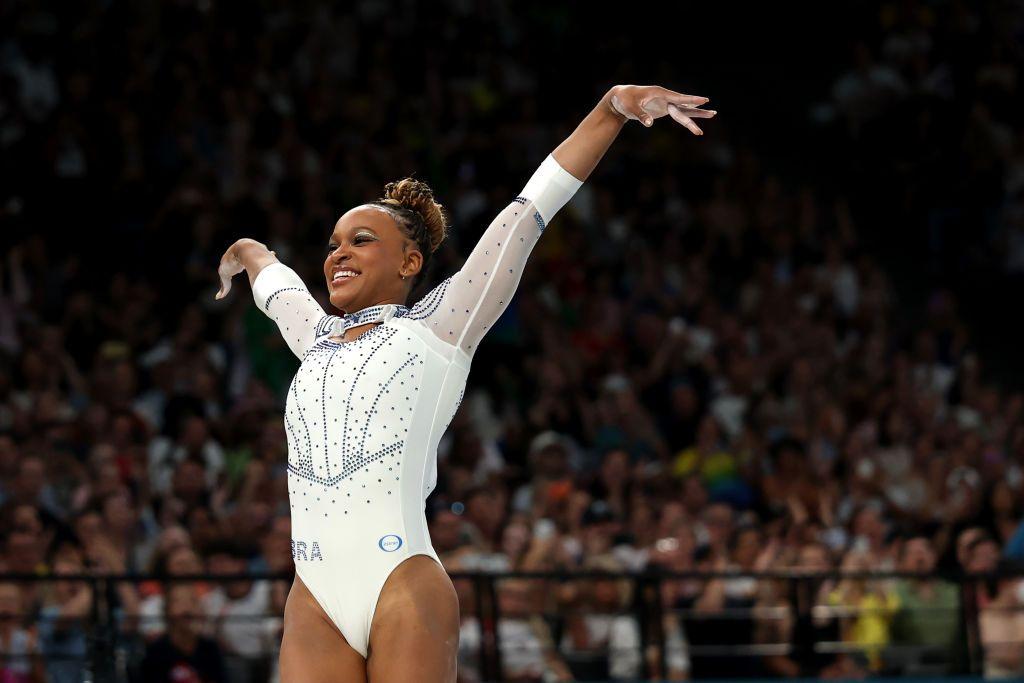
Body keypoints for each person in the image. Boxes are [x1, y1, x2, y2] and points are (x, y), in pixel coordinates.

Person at [215, 83, 715, 682]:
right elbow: (277, 284)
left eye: (361, 240)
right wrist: (245, 252)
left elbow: (529, 212)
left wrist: (610, 109)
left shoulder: (441, 325)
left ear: (409, 262)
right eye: (333, 244)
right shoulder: (316, 337)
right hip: (314, 592)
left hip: (399, 580)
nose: (337, 254)